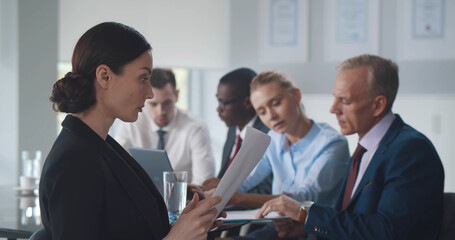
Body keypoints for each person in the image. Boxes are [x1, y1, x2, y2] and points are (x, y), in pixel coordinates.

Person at [38, 22, 223, 240]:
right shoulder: (74, 161)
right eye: (143, 79)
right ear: (105, 76)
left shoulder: (102, 145)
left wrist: (185, 226)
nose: (150, 93)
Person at [257, 54, 445, 240]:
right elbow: (351, 221)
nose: (333, 109)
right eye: (334, 98)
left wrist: (305, 212)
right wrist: (305, 228)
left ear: (378, 105)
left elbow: (386, 231)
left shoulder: (411, 151)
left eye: (344, 101)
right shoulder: (364, 148)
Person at [208, 70, 350, 239]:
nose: (271, 116)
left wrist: (241, 197)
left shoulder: (332, 143)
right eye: (262, 112)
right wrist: (213, 188)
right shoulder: (274, 140)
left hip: (316, 231)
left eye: (276, 103)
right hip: (280, 228)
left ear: (296, 95)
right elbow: (245, 181)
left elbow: (305, 199)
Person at [114, 68, 216, 185]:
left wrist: (176, 191)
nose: (161, 111)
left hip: (185, 199)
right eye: (153, 104)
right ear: (144, 98)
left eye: (167, 103)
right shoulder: (130, 125)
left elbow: (203, 182)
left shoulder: (196, 127)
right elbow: (116, 170)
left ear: (176, 96)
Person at [204, 68, 272, 195]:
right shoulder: (233, 128)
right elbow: (223, 178)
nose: (218, 109)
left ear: (247, 103)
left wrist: (227, 197)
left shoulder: (266, 135)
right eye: (218, 100)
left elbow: (267, 190)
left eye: (224, 103)